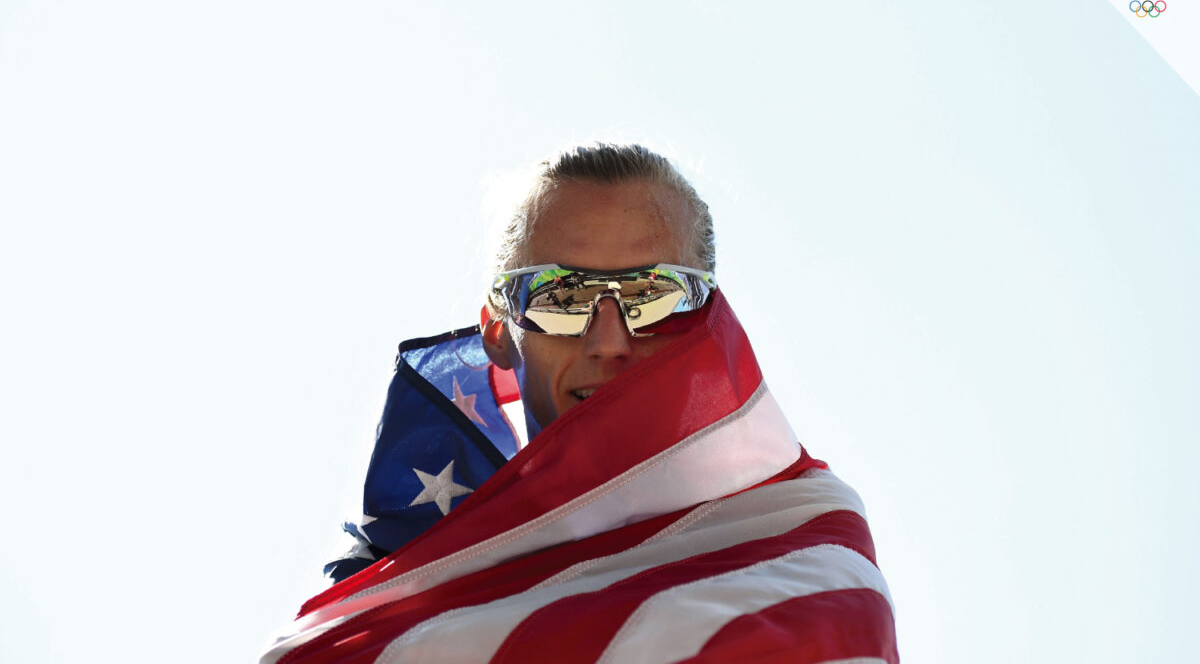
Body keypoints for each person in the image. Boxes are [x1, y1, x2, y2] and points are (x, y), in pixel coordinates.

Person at [262, 143, 898, 663]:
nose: (610, 340)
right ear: (496, 332)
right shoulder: (405, 587)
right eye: (560, 297)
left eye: (654, 294)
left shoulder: (801, 540)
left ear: (707, 315)